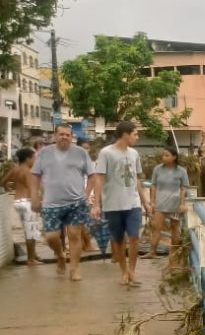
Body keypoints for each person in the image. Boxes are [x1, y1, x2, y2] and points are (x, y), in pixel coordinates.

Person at [28, 124, 93, 280]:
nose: (64, 137)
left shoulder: (81, 153)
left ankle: (74, 269)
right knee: (51, 237)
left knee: (74, 235)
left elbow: (92, 175)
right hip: (51, 203)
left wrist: (86, 194)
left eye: (67, 135)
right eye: (61, 134)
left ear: (72, 137)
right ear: (55, 136)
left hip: (76, 203)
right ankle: (60, 256)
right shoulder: (44, 153)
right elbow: (34, 175)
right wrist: (35, 196)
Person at [91, 121, 152, 286]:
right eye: (135, 134)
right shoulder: (106, 153)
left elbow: (136, 179)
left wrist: (145, 201)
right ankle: (123, 271)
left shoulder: (134, 154)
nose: (137, 137)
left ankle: (132, 270)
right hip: (113, 203)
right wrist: (96, 204)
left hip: (133, 202)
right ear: (125, 134)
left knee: (134, 236)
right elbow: (100, 178)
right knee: (118, 239)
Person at [145, 146, 189, 263]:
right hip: (161, 203)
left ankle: (174, 253)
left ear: (174, 157)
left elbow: (183, 188)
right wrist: (152, 201)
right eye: (163, 155)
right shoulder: (157, 169)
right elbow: (153, 185)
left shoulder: (181, 171)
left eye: (167, 155)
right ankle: (152, 252)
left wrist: (182, 204)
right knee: (156, 227)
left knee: (175, 228)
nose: (164, 157)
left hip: (175, 203)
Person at [2, 148, 42, 265]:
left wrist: (9, 187)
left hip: (17, 202)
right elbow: (32, 190)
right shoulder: (28, 172)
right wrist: (38, 205)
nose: (35, 160)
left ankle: (33, 254)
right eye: (34, 158)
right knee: (31, 231)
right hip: (27, 202)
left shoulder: (15, 169)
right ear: (28, 159)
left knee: (27, 229)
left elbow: (3, 181)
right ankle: (31, 260)